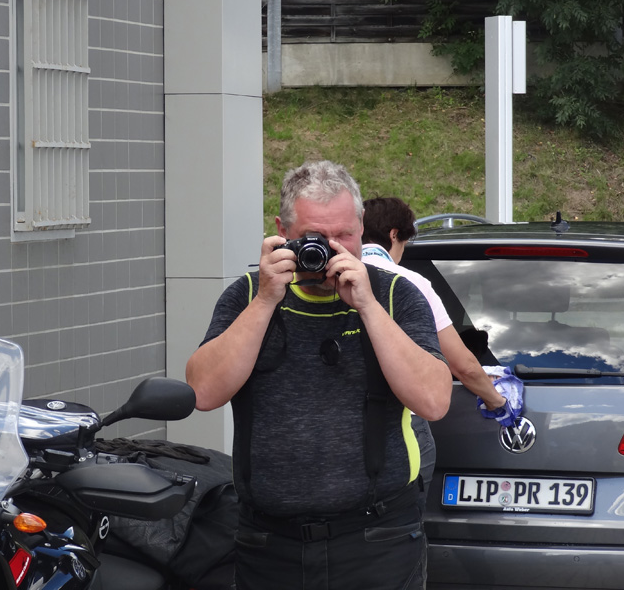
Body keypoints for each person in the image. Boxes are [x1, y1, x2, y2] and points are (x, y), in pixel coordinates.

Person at [186, 161, 453, 590]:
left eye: (344, 235)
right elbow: (202, 391)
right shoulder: (249, 295)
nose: (331, 249)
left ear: (362, 226)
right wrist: (266, 301)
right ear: (282, 232)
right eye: (314, 236)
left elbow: (434, 401)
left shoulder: (394, 295)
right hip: (269, 544)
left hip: (376, 540)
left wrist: (367, 306)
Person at [361, 196, 507, 507]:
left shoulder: (331, 278)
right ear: (393, 234)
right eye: (404, 243)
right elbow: (463, 365)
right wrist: (498, 402)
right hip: (402, 426)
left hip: (340, 425)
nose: (402, 252)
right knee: (401, 523)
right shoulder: (410, 282)